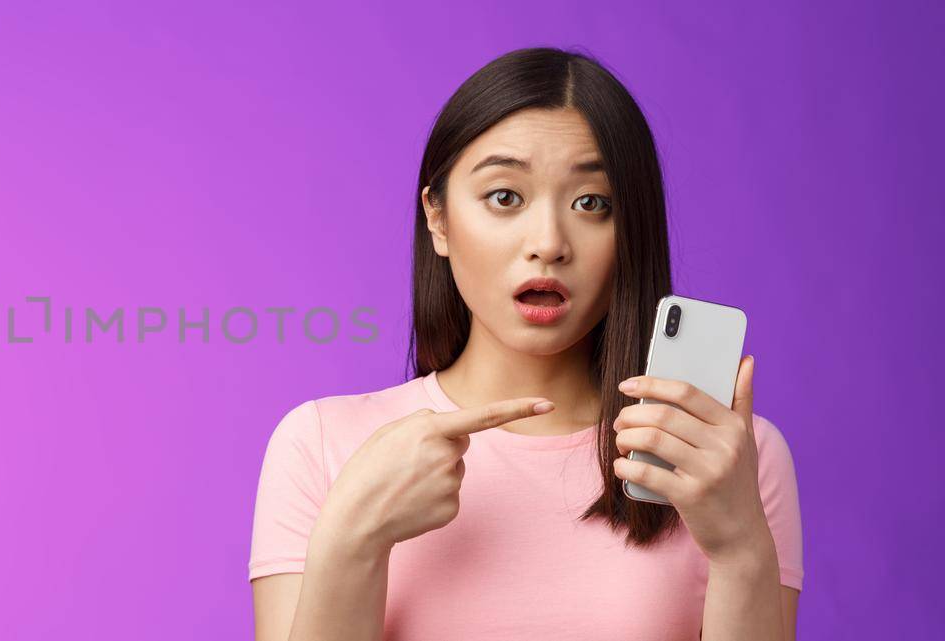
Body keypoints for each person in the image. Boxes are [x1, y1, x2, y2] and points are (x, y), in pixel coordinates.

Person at [248, 47, 803, 641]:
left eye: (592, 203)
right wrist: (352, 537)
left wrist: (742, 546)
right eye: (505, 197)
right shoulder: (322, 445)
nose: (548, 242)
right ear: (437, 219)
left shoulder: (727, 458)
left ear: (631, 229)